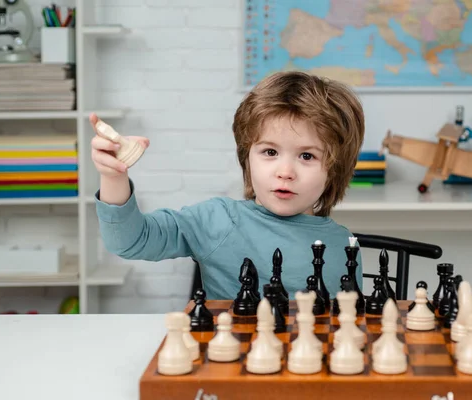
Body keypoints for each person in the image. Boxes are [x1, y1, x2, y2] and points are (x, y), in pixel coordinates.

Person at [91, 71, 365, 301]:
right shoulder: (217, 221)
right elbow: (130, 241)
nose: (285, 172)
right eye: (270, 152)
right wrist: (113, 176)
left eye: (307, 156)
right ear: (247, 157)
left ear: (334, 170)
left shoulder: (343, 243)